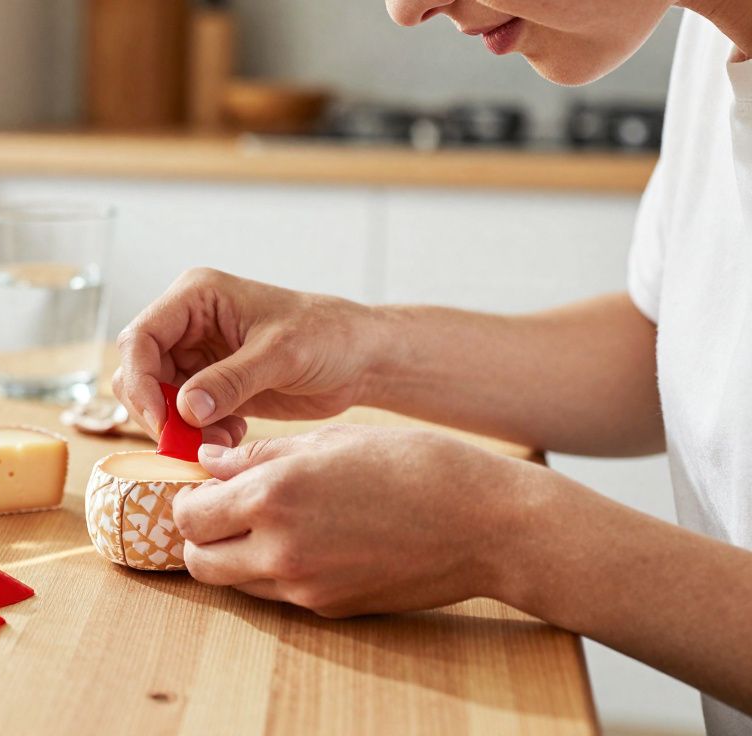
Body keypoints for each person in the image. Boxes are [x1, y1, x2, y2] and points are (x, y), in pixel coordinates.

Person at [111, 1, 752, 733]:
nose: (405, 8)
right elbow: (675, 349)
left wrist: (507, 535)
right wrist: (359, 345)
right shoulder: (709, 42)